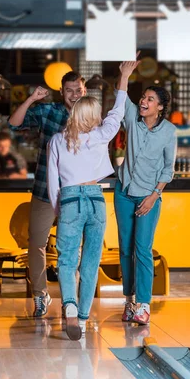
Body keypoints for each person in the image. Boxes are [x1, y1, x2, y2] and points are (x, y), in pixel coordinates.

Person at [47, 91, 126, 340]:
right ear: (92, 116)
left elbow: (52, 183)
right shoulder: (100, 136)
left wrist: (60, 211)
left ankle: (69, 305)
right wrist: (123, 81)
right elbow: (117, 113)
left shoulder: (57, 141)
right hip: (95, 199)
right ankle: (81, 320)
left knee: (67, 261)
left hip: (70, 199)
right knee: (91, 263)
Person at [9, 71, 86, 317]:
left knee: (72, 247)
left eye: (78, 90)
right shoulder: (49, 111)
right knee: (36, 244)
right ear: (62, 92)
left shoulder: (91, 117)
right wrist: (31, 99)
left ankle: (69, 300)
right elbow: (14, 123)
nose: (74, 95)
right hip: (44, 190)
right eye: (70, 90)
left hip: (74, 193)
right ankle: (40, 296)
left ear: (84, 91)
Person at [114, 54, 177, 325]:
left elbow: (168, 169)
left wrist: (154, 196)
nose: (144, 101)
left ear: (160, 107)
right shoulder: (131, 119)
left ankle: (143, 304)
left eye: (150, 99)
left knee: (142, 249)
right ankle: (129, 301)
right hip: (123, 192)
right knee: (125, 250)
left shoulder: (169, 132)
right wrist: (125, 74)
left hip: (148, 196)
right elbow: (121, 99)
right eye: (144, 97)